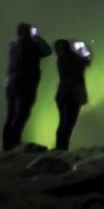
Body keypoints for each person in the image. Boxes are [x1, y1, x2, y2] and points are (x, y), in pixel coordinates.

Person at [3, 23, 52, 151]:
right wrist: (37, 38)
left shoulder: (14, 46)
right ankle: (14, 143)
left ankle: (7, 145)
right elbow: (47, 51)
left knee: (11, 114)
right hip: (26, 83)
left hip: (11, 83)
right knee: (22, 113)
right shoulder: (31, 45)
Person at [54, 39, 91, 151]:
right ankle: (62, 149)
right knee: (68, 124)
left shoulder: (61, 59)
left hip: (62, 94)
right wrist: (83, 49)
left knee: (63, 123)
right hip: (73, 95)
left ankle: (60, 148)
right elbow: (87, 61)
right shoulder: (74, 58)